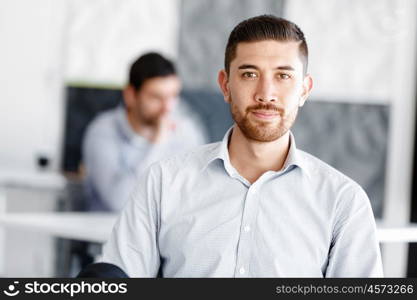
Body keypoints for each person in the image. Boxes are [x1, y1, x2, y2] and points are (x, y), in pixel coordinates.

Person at [101, 15, 383, 277]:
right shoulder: (163, 182)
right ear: (225, 85)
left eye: (283, 76)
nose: (266, 94)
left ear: (304, 90)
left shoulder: (344, 202)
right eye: (249, 74)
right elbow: (118, 279)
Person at [82, 52, 207, 212]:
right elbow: (121, 202)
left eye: (173, 96)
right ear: (131, 95)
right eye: (156, 97)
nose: (167, 108)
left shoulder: (186, 130)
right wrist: (158, 143)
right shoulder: (103, 132)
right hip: (109, 233)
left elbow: (200, 194)